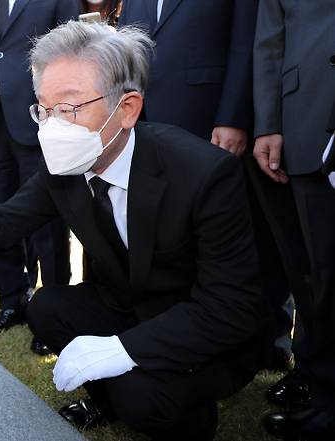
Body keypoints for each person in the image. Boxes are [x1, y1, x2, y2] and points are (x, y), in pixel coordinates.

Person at [0, 21, 273, 440]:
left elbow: (230, 306)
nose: (53, 128)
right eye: (44, 110)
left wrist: (122, 349)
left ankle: (187, 416)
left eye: (69, 109)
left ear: (127, 109)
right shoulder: (64, 167)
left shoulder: (204, 173)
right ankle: (108, 399)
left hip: (203, 328)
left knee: (143, 398)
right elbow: (5, 221)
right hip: (129, 305)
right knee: (48, 308)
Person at [118, 0, 297, 373]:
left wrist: (233, 115)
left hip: (210, 117)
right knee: (173, 232)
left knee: (243, 232)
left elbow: (246, 41)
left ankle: (269, 337)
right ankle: (184, 327)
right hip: (147, 122)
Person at [0, 0, 78, 352]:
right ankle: (11, 302)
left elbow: (71, 56)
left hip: (41, 123)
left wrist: (62, 121)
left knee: (48, 227)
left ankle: (54, 313)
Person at [254, 1, 335, 438]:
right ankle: (324, 397)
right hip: (307, 121)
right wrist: (268, 123)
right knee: (319, 274)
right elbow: (270, 39)